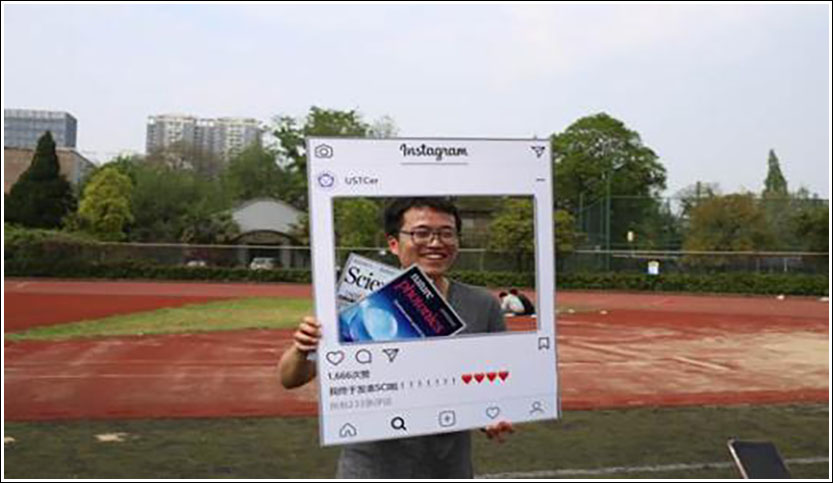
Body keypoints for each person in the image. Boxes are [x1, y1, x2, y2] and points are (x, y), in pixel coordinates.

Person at [278, 197, 514, 478]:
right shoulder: (359, 300)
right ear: (393, 243)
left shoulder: (482, 304)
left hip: (448, 468)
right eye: (421, 233)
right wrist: (302, 348)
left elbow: (497, 388)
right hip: (370, 469)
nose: (436, 243)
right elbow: (290, 378)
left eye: (447, 233)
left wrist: (491, 416)